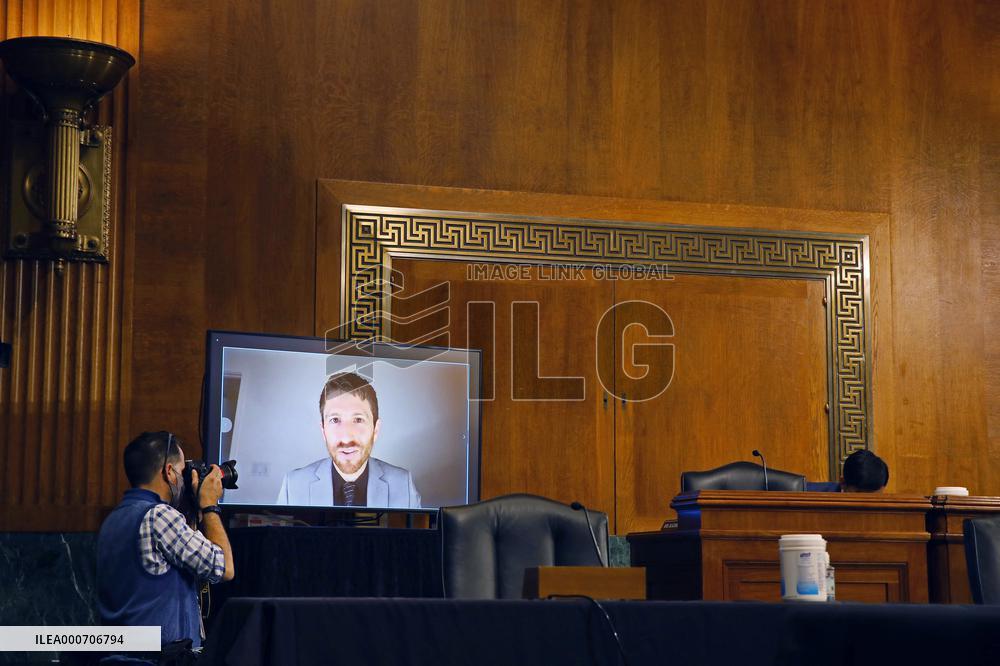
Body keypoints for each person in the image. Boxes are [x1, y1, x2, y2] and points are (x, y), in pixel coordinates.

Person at [97, 431, 234, 653]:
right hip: (159, 658)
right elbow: (225, 568)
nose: (185, 478)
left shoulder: (114, 519)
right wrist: (209, 505)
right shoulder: (159, 517)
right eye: (182, 471)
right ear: (169, 472)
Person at [276, 371, 421, 508]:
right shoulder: (293, 486)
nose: (346, 438)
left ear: (375, 430)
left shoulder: (403, 485)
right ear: (323, 431)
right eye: (335, 420)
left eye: (358, 419)